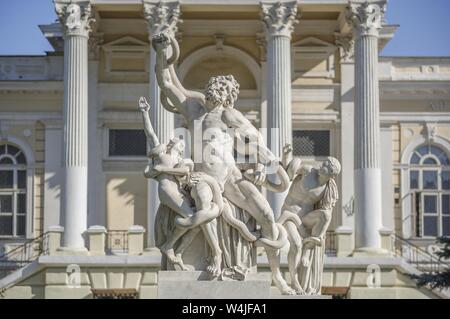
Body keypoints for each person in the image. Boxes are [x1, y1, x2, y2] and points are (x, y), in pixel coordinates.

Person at [152, 33, 294, 294]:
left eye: (223, 87)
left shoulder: (229, 114)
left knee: (267, 215)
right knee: (205, 208)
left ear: (229, 95)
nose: (217, 88)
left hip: (229, 178)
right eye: (215, 84)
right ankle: (211, 256)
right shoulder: (191, 110)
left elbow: (256, 142)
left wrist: (265, 166)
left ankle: (277, 276)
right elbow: (166, 82)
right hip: (202, 177)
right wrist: (162, 53)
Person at [139, 97, 224, 276]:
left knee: (196, 218)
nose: (175, 141)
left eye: (178, 141)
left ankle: (173, 248)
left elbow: (185, 171)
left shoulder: (182, 161)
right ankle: (170, 247)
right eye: (175, 140)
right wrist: (145, 112)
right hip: (166, 190)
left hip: (176, 190)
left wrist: (163, 169)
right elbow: (150, 134)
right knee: (194, 217)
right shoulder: (162, 154)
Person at [278, 144, 341, 294]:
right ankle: (294, 282)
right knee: (296, 244)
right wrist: (286, 157)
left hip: (305, 220)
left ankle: (308, 250)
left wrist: (317, 238)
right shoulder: (307, 170)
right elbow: (287, 174)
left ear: (331, 175)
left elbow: (327, 215)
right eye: (325, 162)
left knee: (325, 215)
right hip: (290, 215)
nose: (322, 165)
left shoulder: (328, 189)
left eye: (326, 166)